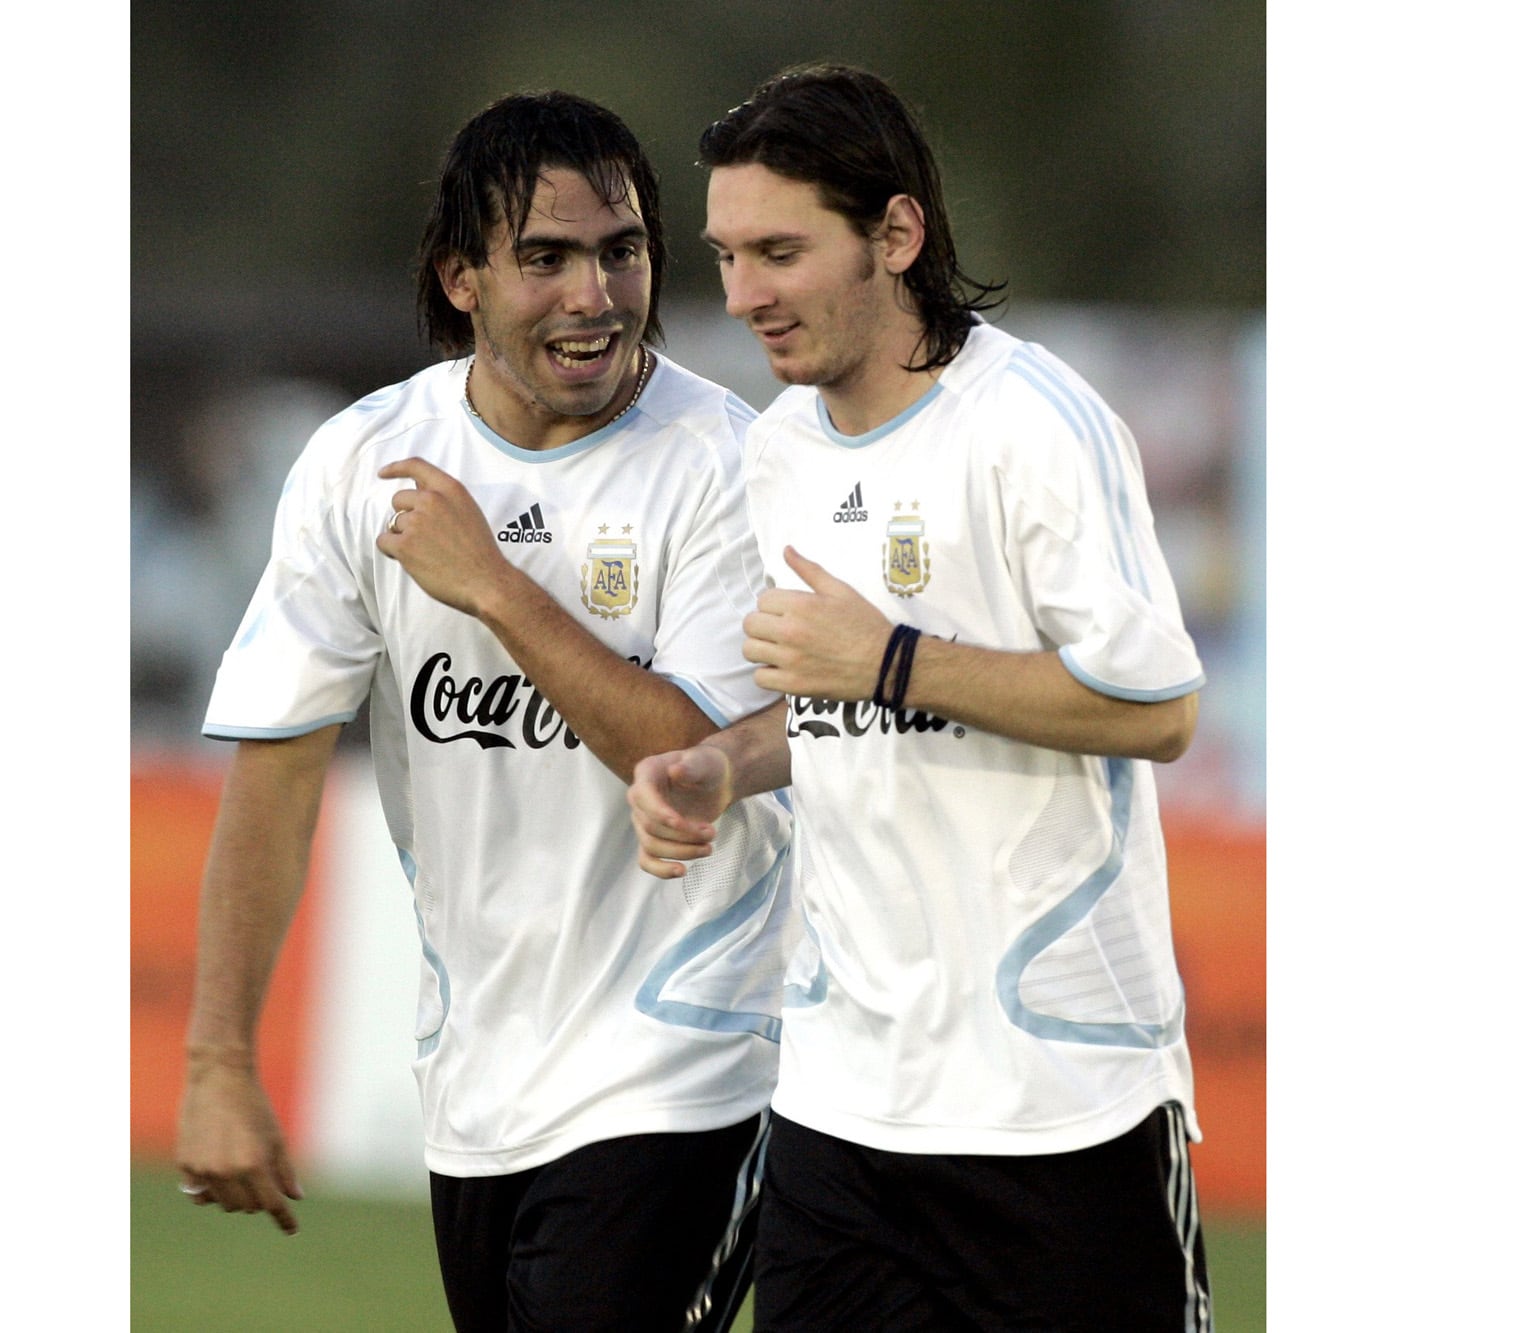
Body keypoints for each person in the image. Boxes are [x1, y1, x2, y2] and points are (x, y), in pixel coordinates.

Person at [176, 90, 793, 1333]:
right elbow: (280, 769)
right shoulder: (361, 461)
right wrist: (219, 1061)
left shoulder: (728, 462)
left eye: (620, 252)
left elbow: (685, 755)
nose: (595, 295)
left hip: (692, 1065)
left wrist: (493, 588)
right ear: (462, 276)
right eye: (546, 258)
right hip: (478, 1084)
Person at [628, 64, 1213, 1331]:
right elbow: (832, 704)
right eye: (727, 256)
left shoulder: (1033, 423)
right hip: (841, 1101)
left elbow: (1154, 708)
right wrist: (720, 768)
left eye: (780, 251)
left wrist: (888, 657)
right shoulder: (777, 450)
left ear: (895, 234)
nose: (744, 297)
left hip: (1058, 1103)